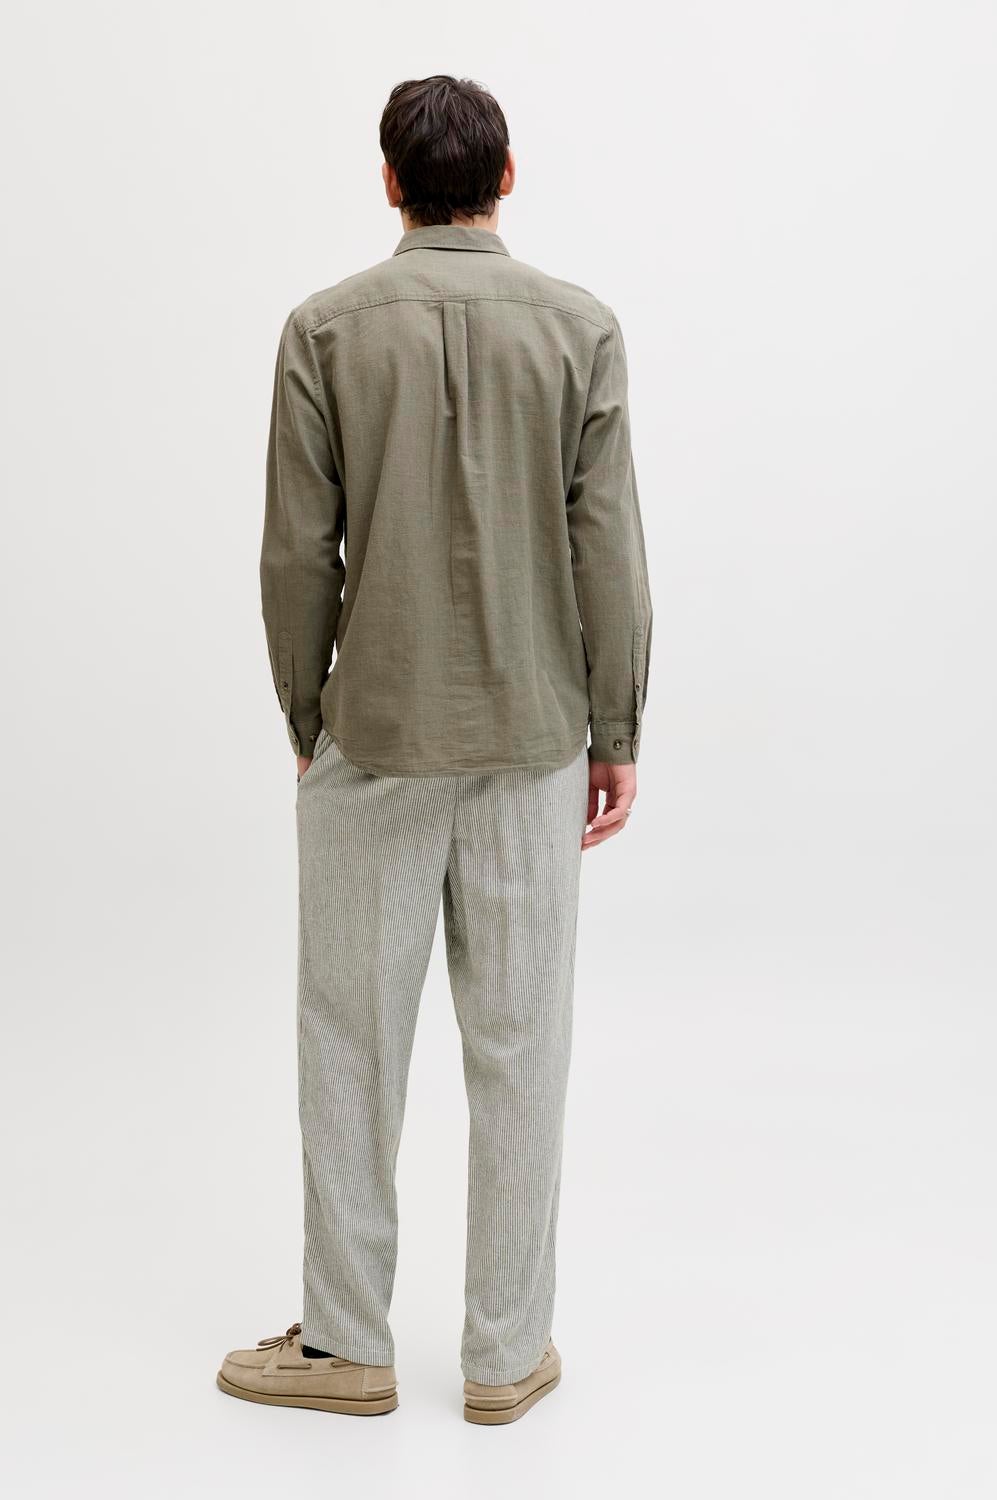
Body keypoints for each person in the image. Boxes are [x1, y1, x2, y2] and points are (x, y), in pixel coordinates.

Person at [217, 74, 652, 1425]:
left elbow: (298, 553)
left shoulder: (324, 330)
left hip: (379, 738)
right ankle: (506, 1356)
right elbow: (608, 549)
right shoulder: (580, 329)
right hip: (534, 740)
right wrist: (616, 727)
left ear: (390, 182)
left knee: (350, 1046)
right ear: (505, 177)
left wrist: (308, 714)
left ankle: (348, 1345)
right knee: (523, 1047)